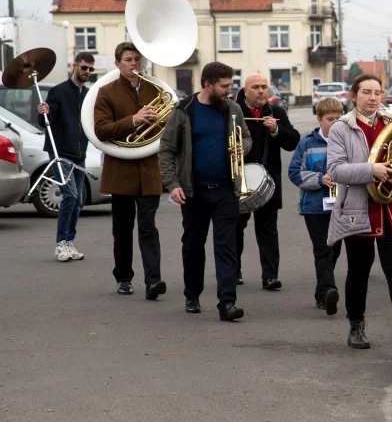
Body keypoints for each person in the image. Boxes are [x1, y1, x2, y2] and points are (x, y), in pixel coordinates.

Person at [326, 74, 392, 352]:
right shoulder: (341, 128)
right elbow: (336, 170)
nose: (373, 97)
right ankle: (356, 325)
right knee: (358, 272)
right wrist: (371, 170)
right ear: (354, 96)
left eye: (378, 92)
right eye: (366, 92)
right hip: (358, 210)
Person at [159, 62, 250, 320]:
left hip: (225, 191)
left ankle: (227, 303)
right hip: (194, 192)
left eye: (230, 85)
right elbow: (166, 149)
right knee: (193, 246)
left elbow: (246, 137)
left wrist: (240, 147)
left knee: (227, 248)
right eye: (224, 86)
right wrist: (173, 184)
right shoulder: (184, 110)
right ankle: (192, 295)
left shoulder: (232, 109)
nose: (229, 90)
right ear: (207, 84)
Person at [92, 42, 166, 299]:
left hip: (148, 170)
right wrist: (134, 120)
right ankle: (123, 277)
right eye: (128, 60)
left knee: (148, 227)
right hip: (120, 170)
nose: (134, 64)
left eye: (137, 59)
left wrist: (158, 122)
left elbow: (167, 130)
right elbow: (101, 129)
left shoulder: (156, 89)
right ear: (118, 64)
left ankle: (153, 281)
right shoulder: (106, 92)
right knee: (122, 230)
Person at [234, 73, 301, 290]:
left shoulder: (277, 112)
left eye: (264, 86)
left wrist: (276, 130)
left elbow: (293, 142)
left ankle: (270, 276)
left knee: (268, 229)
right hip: (239, 179)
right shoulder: (233, 112)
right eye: (256, 87)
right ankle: (234, 272)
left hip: (267, 180)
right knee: (235, 228)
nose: (261, 91)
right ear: (246, 91)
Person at [289, 97, 345, 313]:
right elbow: (294, 173)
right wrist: (320, 179)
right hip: (314, 206)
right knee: (322, 249)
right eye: (330, 119)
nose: (335, 123)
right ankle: (329, 290)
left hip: (341, 205)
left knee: (335, 251)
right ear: (319, 119)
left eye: (339, 118)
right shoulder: (307, 143)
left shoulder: (347, 141)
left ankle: (321, 293)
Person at [37, 52, 94, 262]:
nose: (87, 72)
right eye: (84, 67)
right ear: (74, 66)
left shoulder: (88, 95)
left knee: (78, 201)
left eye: (90, 69)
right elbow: (46, 123)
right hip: (60, 152)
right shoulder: (58, 91)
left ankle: (70, 242)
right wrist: (43, 112)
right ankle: (61, 243)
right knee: (70, 195)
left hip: (79, 153)